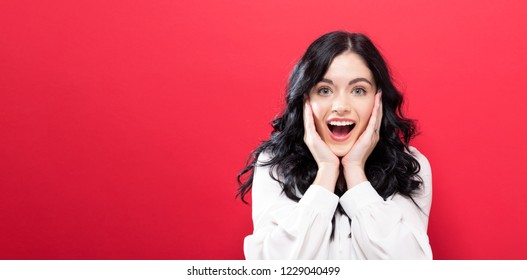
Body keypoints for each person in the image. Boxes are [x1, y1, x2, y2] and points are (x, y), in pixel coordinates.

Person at [237, 31, 432, 259]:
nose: (341, 106)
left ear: (377, 99)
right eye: (324, 90)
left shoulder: (409, 166)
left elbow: (410, 266)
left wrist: (355, 171)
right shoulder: (275, 166)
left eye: (358, 90)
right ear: (305, 99)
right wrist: (327, 170)